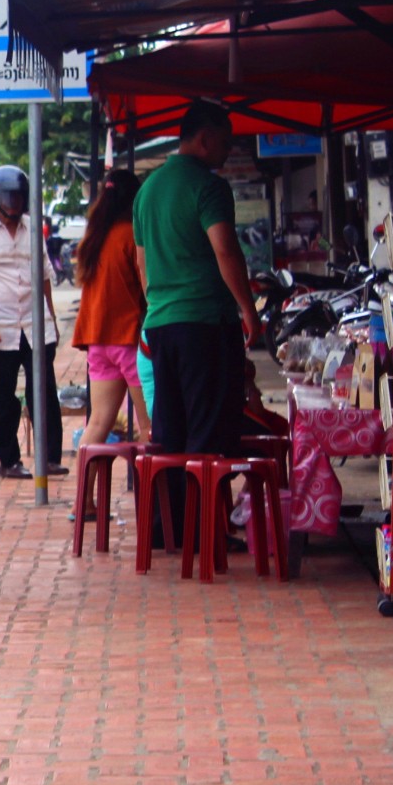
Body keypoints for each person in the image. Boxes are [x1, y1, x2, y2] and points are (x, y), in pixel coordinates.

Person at [131, 99, 264, 533]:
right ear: (204, 138)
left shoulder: (148, 188)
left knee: (169, 429)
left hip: (161, 325)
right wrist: (248, 309)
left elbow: (142, 262)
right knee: (208, 431)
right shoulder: (208, 187)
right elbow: (226, 251)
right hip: (204, 322)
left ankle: (168, 530)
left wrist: (157, 306)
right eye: (225, 142)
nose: (227, 152)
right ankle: (203, 533)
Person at [0, 165, 66, 480]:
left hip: (35, 324)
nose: (14, 203)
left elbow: (44, 275)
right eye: (8, 197)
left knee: (43, 392)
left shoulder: (34, 229)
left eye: (18, 197)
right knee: (2, 398)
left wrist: (52, 318)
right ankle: (9, 460)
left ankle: (50, 458)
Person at [70, 169, 152, 450]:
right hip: (129, 341)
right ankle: (151, 495)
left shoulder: (94, 236)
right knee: (149, 426)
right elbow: (147, 286)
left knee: (97, 423)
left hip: (98, 342)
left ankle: (85, 494)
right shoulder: (131, 234)